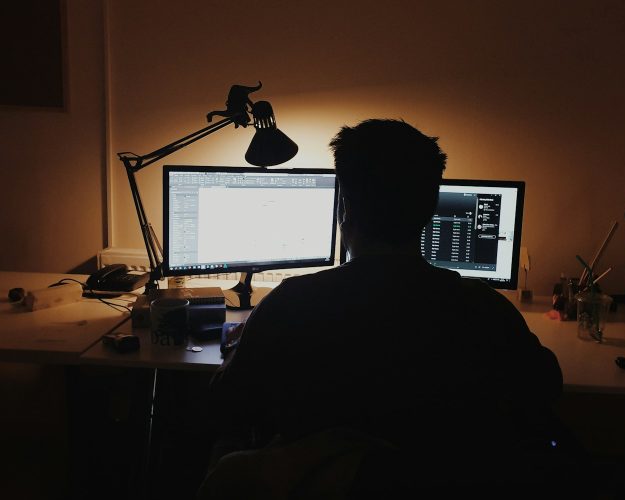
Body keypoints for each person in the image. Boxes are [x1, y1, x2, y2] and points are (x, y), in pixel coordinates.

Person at [201, 119, 582, 498]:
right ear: (431, 206)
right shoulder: (486, 309)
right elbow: (545, 388)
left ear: (345, 207)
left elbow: (227, 405)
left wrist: (241, 344)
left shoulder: (290, 303)